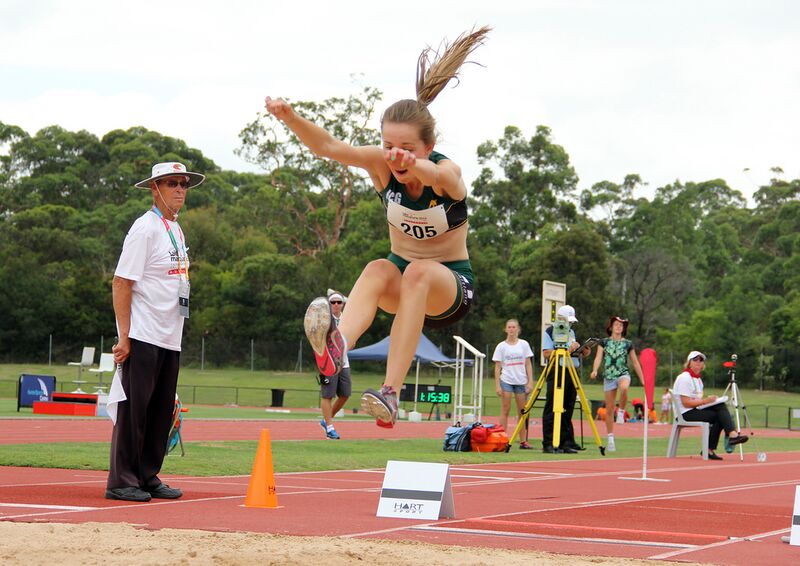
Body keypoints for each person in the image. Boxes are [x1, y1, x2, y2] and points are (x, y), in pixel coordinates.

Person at [265, 27, 490, 428]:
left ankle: (389, 393)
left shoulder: (446, 172)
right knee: (376, 267)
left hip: (449, 287)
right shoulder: (381, 164)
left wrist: (411, 163)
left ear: (427, 145)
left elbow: (443, 177)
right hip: (399, 282)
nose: (394, 156)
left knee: (419, 271)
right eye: (388, 146)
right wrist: (290, 116)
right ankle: (338, 348)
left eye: (405, 149)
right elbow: (329, 148)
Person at [106, 162, 204, 502]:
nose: (180, 189)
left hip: (169, 334)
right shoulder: (144, 229)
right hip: (144, 333)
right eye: (172, 183)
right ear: (155, 188)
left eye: (184, 184)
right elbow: (121, 282)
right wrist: (124, 335)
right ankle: (122, 479)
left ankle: (147, 475)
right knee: (134, 410)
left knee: (160, 411)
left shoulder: (175, 229)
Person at [673, 351, 748, 459]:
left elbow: (696, 400)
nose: (698, 362)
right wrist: (706, 401)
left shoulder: (698, 379)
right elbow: (686, 403)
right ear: (689, 362)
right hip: (684, 413)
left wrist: (710, 400)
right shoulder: (685, 378)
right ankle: (731, 435)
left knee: (720, 408)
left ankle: (713, 446)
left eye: (701, 360)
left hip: (694, 409)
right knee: (720, 413)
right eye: (695, 359)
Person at [589, 316, 645, 452]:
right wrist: (595, 370)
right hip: (609, 376)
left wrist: (643, 379)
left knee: (624, 388)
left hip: (622, 373)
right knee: (609, 410)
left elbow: (635, 362)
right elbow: (598, 357)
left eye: (621, 325)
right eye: (616, 325)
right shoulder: (604, 342)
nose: (619, 327)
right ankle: (610, 438)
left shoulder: (628, 343)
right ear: (611, 327)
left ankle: (621, 411)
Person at [540, 305, 590, 454]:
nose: (570, 324)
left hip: (571, 370)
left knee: (568, 407)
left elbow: (573, 350)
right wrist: (567, 350)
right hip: (556, 370)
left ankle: (565, 442)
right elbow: (547, 353)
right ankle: (548, 442)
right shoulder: (550, 331)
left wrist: (582, 350)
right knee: (553, 406)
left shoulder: (571, 331)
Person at [492, 319, 535, 449]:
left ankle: (523, 441)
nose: (511, 329)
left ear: (518, 329)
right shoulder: (501, 346)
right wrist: (498, 385)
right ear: (506, 329)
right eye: (509, 327)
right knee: (505, 409)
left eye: (513, 327)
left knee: (522, 411)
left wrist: (530, 382)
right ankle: (503, 439)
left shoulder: (524, 344)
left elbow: (528, 364)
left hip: (521, 381)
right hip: (507, 380)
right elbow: (498, 367)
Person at [318, 291, 351, 440]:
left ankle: (326, 420)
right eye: (333, 302)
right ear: (329, 305)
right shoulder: (324, 320)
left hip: (344, 362)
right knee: (327, 395)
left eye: (339, 302)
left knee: (345, 394)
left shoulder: (348, 318)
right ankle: (330, 428)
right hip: (328, 362)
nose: (336, 305)